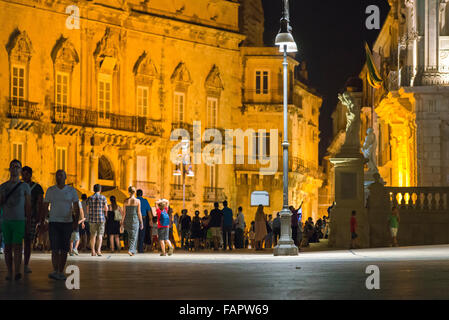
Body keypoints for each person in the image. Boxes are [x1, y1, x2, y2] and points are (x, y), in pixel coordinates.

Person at [43, 170, 81, 281]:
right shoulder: (50, 190)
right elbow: (45, 205)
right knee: (54, 248)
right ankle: (55, 270)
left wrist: (75, 222)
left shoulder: (71, 191)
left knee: (64, 249)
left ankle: (61, 270)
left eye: (61, 175)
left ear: (65, 178)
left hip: (67, 223)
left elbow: (76, 207)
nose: (58, 177)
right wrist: (44, 220)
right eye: (57, 175)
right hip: (54, 222)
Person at [0, 160, 31, 281]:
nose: (14, 169)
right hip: (6, 220)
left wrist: (28, 220)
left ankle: (17, 271)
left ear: (20, 170)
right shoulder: (3, 186)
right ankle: (9, 272)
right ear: (9, 169)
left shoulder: (25, 186)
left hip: (19, 220)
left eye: (17, 167)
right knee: (7, 247)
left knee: (17, 246)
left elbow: (28, 205)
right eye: (12, 166)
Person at [21, 166, 44, 274]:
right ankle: (21, 265)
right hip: (19, 216)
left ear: (30, 175)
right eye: (23, 174)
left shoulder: (37, 187)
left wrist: (40, 218)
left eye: (26, 174)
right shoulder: (19, 186)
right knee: (20, 242)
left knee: (28, 241)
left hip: (31, 217)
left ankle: (25, 264)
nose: (24, 176)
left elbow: (40, 203)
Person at [86, 184, 108, 257]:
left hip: (92, 219)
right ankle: (98, 251)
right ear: (100, 190)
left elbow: (87, 210)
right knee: (100, 235)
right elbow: (106, 209)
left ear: (93, 189)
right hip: (101, 219)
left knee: (93, 235)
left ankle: (93, 251)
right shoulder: (103, 197)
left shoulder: (89, 198)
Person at [121, 186, 143, 256]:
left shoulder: (125, 201)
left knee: (130, 236)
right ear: (135, 192)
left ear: (129, 192)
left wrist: (122, 222)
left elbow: (124, 213)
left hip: (127, 220)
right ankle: (130, 250)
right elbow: (139, 212)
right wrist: (141, 222)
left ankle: (133, 251)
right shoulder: (137, 201)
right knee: (134, 236)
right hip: (135, 220)